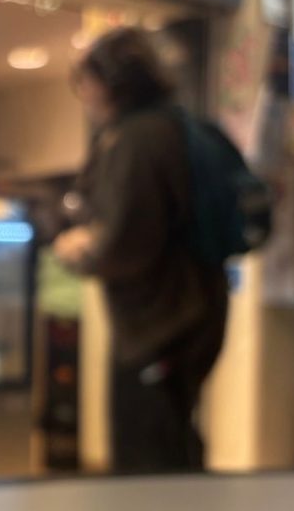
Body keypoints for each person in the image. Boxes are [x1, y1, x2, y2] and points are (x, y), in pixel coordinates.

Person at [54, 28, 228, 474]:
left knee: (147, 463)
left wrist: (80, 251)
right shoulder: (174, 126)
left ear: (110, 82)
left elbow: (126, 242)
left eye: (88, 80)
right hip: (194, 311)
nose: (85, 93)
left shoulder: (137, 139)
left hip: (159, 324)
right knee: (174, 442)